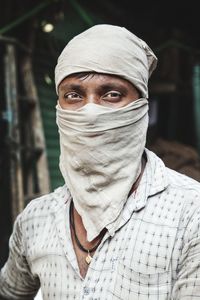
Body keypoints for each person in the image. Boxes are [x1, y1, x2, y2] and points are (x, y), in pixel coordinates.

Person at [0, 24, 200, 300]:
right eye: (73, 95)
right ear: (59, 107)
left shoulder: (190, 214)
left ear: (141, 107)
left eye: (111, 94)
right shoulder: (35, 219)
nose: (90, 111)